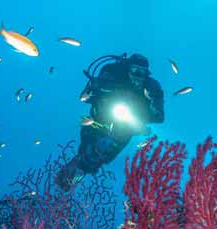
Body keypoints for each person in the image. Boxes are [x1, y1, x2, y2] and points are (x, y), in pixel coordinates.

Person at [57, 53, 165, 190]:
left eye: (141, 72)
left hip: (125, 128)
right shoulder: (113, 74)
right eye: (134, 70)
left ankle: (76, 176)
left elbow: (159, 117)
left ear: (146, 73)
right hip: (99, 119)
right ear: (128, 69)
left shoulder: (152, 87)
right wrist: (98, 91)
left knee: (100, 158)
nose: (137, 75)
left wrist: (151, 105)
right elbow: (87, 96)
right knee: (87, 150)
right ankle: (69, 175)